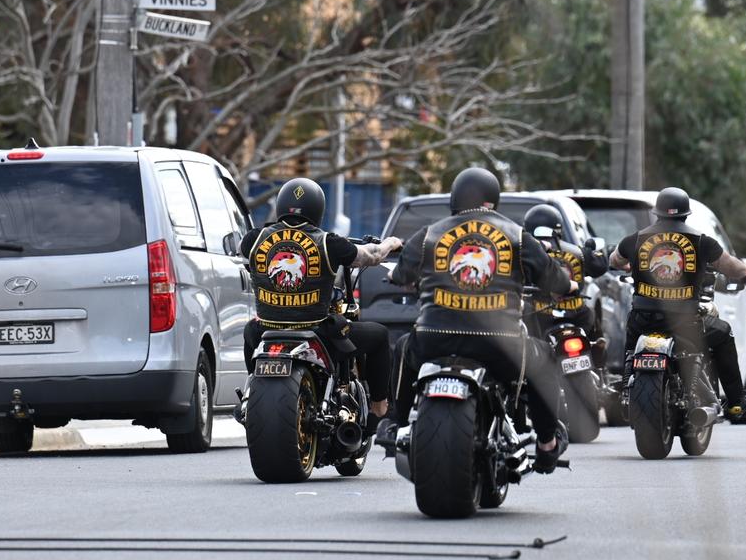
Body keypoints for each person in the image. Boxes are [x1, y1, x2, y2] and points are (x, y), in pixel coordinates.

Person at [382, 167, 578, 473]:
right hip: (501, 346)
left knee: (404, 346)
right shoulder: (516, 235)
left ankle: (394, 422)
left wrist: (396, 275)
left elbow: (401, 272)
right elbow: (554, 279)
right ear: (493, 200)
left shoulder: (429, 233)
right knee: (546, 358)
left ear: (455, 199)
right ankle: (546, 443)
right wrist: (569, 287)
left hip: (435, 338)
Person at [239, 178, 402, 428]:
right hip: (316, 330)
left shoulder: (253, 239)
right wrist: (391, 242)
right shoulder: (328, 242)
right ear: (318, 209)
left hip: (265, 330)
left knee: (249, 330)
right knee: (378, 336)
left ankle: (253, 390)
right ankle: (380, 407)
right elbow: (372, 255)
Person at [608, 186, 746, 419]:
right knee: (723, 333)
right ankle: (737, 402)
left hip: (643, 321)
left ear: (657, 213)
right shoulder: (702, 242)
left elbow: (615, 260)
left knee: (630, 349)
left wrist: (628, 264)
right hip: (685, 324)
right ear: (686, 214)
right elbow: (732, 268)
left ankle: (626, 385)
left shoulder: (635, 239)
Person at [522, 203, 608, 342]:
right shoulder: (577, 252)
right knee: (596, 339)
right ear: (559, 228)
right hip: (576, 315)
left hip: (538, 316)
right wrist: (590, 250)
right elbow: (601, 266)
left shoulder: (527, 253)